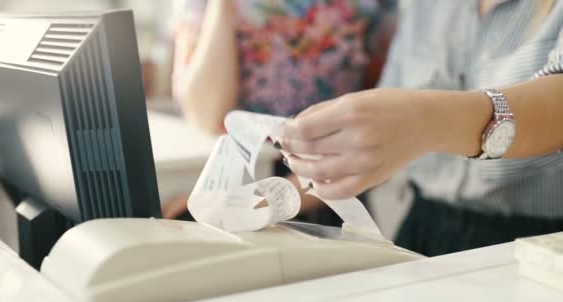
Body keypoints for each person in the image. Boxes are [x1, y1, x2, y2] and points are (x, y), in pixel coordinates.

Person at [278, 0, 563, 256]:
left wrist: (422, 121)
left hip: (537, 250)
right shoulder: (427, 8)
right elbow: (374, 139)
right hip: (422, 232)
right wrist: (270, 201)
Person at [167, 0, 396, 220]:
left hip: (330, 187)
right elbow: (205, 115)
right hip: (234, 181)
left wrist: (274, 198)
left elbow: (385, 122)